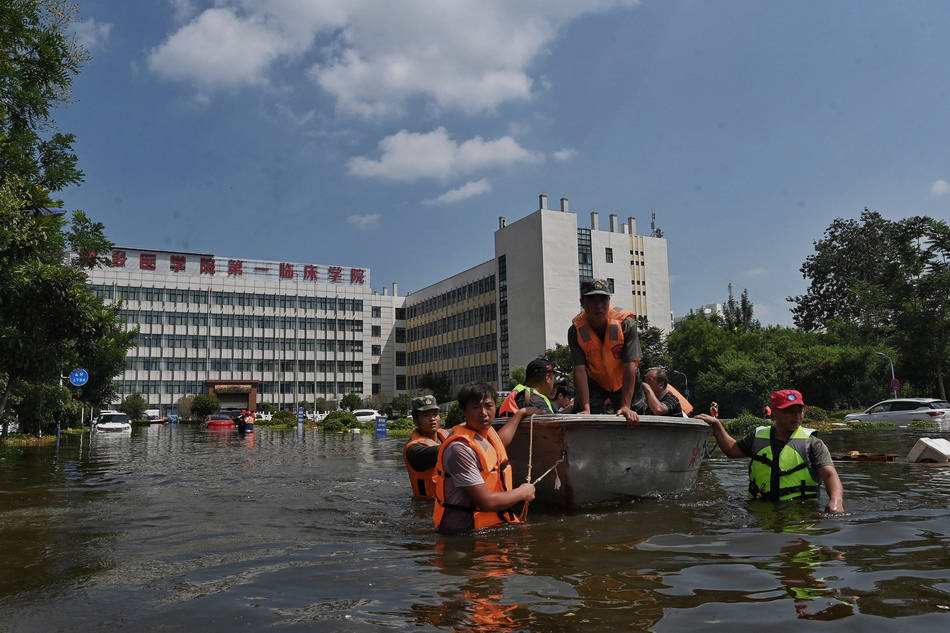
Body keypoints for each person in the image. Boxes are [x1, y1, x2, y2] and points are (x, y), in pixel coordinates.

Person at [696, 389, 844, 514]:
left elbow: (830, 474)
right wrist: (717, 425)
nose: (796, 416)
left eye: (799, 411)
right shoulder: (757, 436)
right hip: (760, 508)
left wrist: (836, 501)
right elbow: (732, 451)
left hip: (800, 511)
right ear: (773, 412)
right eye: (788, 411)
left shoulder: (813, 443)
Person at [433, 382, 537, 533]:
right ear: (463, 411)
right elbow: (485, 502)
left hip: (489, 527)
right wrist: (522, 492)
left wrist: (520, 414)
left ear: (496, 407)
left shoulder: (485, 432)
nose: (483, 413)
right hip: (463, 535)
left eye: (489, 406)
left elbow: (499, 443)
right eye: (476, 407)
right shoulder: (459, 450)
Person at [568, 278, 644, 426]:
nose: (598, 305)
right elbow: (579, 370)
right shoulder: (575, 330)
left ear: (609, 301)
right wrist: (585, 408)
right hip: (595, 382)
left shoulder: (625, 323)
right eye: (592, 300)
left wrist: (625, 406)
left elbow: (630, 365)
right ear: (582, 302)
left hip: (625, 380)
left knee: (635, 419)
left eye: (603, 299)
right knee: (582, 421)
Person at [403, 395, 448, 498]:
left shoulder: (445, 435)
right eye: (425, 415)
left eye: (435, 414)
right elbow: (440, 451)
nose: (432, 419)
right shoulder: (414, 450)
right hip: (426, 506)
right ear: (415, 421)